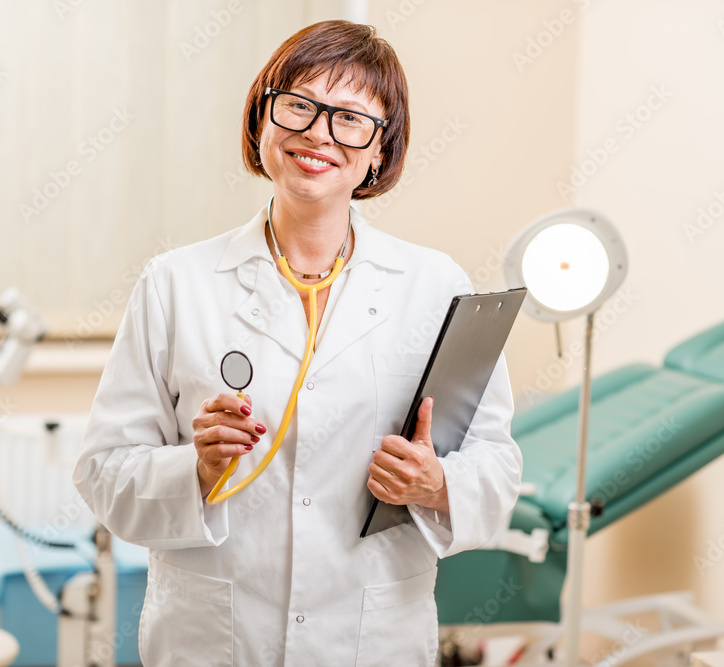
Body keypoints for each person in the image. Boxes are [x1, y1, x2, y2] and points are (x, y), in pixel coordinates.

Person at [73, 19, 522, 666]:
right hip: (214, 638)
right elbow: (102, 470)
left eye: (350, 119)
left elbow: (498, 466)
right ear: (263, 118)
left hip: (372, 639)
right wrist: (195, 470)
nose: (318, 132)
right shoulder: (176, 283)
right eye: (299, 105)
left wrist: (436, 483)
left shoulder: (435, 286)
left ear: (379, 150)